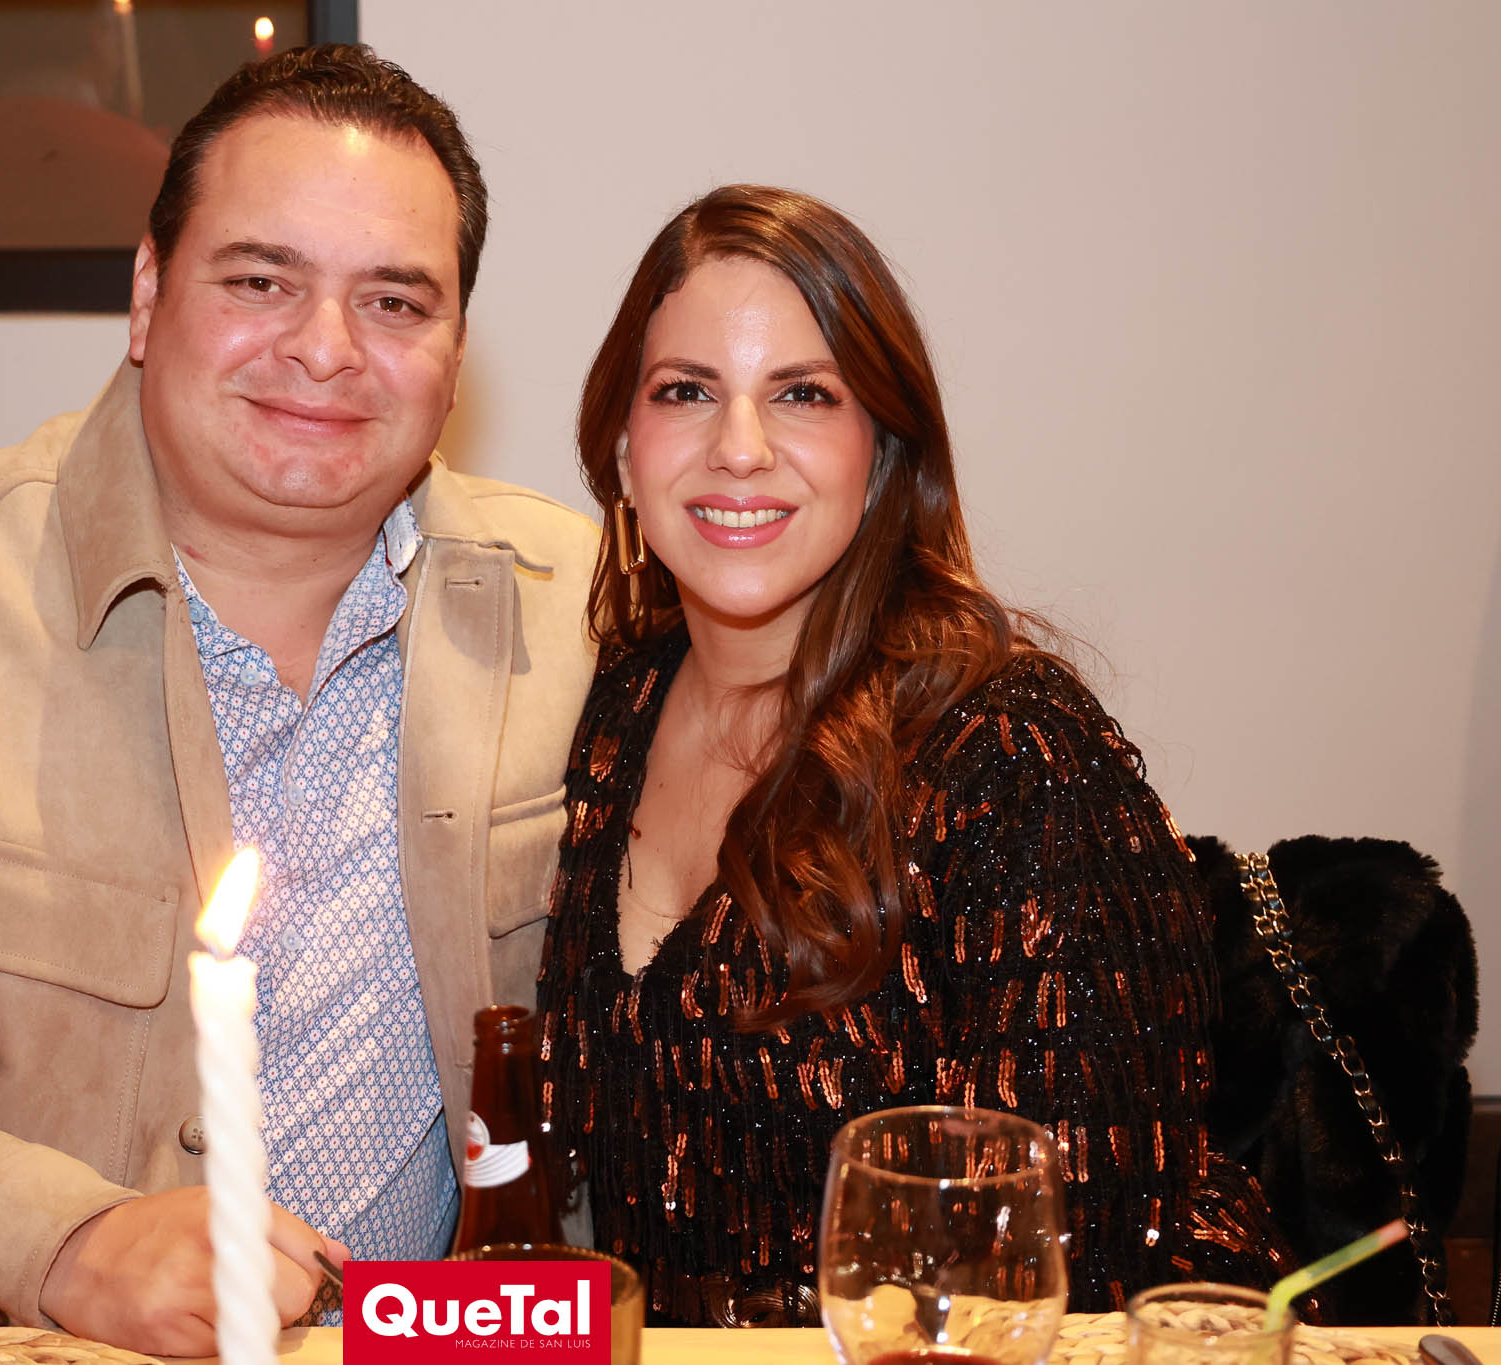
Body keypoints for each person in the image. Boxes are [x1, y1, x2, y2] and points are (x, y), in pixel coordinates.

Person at [0, 45, 597, 1355]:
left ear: (455, 352)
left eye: (395, 302)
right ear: (146, 295)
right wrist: (55, 1239)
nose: (325, 349)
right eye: (260, 281)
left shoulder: (584, 614)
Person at [536, 185, 1290, 1326]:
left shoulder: (1012, 755)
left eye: (802, 393)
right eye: (685, 391)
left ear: (881, 452)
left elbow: (1081, 1257)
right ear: (622, 455)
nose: (738, 448)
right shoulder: (607, 713)